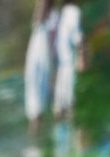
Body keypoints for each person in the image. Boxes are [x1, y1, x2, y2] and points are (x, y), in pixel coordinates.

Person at [24, 0, 60, 134]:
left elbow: (54, 47)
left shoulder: (52, 19)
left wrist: (54, 71)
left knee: (42, 104)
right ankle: (37, 134)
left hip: (45, 63)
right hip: (37, 63)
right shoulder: (39, 23)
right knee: (35, 105)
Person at [52, 3, 84, 120]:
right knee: (59, 108)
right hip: (61, 66)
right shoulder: (59, 12)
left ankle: (72, 126)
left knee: (69, 104)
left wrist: (81, 57)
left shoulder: (72, 11)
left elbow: (78, 38)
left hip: (69, 65)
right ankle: (63, 127)